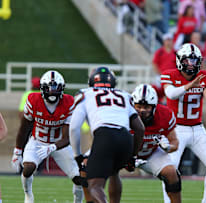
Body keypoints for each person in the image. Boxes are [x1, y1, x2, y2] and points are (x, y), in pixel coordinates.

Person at [69, 67, 145, 203]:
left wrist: (77, 155)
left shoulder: (86, 93)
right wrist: (132, 155)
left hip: (105, 136)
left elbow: (74, 127)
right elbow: (140, 129)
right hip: (125, 137)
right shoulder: (124, 95)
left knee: (94, 185)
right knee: (114, 172)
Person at [11, 70, 84, 203]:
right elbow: (24, 128)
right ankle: (28, 195)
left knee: (79, 178)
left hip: (59, 144)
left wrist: (52, 147)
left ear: (62, 89)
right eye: (48, 88)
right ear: (42, 89)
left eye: (56, 88)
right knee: (27, 169)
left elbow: (67, 138)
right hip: (38, 142)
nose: (52, 92)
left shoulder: (68, 102)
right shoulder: (33, 100)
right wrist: (18, 151)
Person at [160, 43, 206, 203]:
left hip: (197, 129)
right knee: (170, 169)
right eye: (188, 60)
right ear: (180, 60)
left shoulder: (205, 76)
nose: (192, 64)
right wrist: (189, 86)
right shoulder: (169, 74)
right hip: (175, 130)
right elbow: (171, 94)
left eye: (195, 61)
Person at [131, 84, 181, 203]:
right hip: (123, 154)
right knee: (88, 168)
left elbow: (175, 142)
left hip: (150, 154)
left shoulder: (164, 115)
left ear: (154, 107)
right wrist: (128, 157)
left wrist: (168, 147)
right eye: (138, 106)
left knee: (171, 173)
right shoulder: (122, 114)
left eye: (146, 106)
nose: (142, 110)